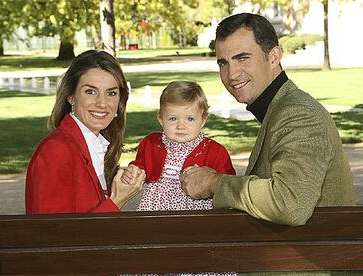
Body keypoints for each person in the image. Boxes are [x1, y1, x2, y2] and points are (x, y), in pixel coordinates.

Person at [180, 13, 356, 226]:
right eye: (223, 63)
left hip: (319, 256)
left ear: (273, 57)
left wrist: (214, 183)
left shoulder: (299, 115)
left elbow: (290, 205)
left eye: (242, 58)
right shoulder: (280, 108)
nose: (232, 73)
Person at [25, 50, 145, 214]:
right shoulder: (56, 150)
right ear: (71, 96)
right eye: (90, 91)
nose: (102, 103)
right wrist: (117, 200)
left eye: (111, 93)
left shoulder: (94, 146)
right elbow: (52, 233)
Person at [122, 81, 236, 211]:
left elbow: (226, 184)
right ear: (161, 119)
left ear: (203, 120)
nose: (181, 126)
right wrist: (134, 170)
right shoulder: (151, 143)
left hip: (194, 212)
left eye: (190, 119)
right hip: (155, 207)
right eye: (173, 119)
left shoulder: (215, 151)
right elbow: (141, 164)